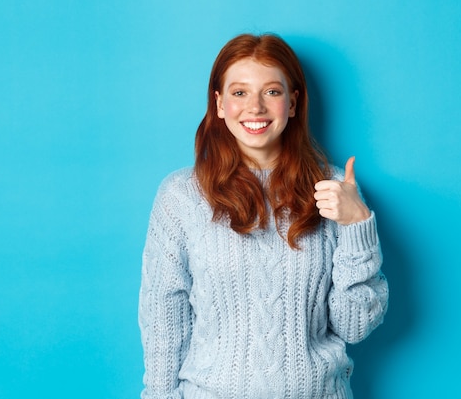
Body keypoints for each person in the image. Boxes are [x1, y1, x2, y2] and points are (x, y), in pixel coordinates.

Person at [138, 33, 388, 399]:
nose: (255, 107)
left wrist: (357, 225)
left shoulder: (334, 188)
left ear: (292, 103)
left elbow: (355, 326)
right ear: (219, 104)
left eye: (271, 92)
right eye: (239, 93)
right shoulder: (181, 196)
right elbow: (163, 321)